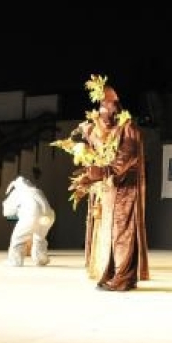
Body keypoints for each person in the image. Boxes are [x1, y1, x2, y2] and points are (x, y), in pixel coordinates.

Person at [52, 75, 149, 291]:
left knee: (122, 233)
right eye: (101, 107)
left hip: (125, 189)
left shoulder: (127, 129)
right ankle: (112, 272)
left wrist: (101, 171)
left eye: (109, 106)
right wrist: (84, 158)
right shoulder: (100, 129)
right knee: (107, 233)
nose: (104, 111)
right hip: (108, 189)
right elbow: (82, 138)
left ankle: (123, 277)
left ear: (117, 107)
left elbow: (126, 159)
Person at [2, 176, 56, 266]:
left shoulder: (18, 192)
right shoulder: (37, 191)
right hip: (48, 216)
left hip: (31, 215)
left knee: (17, 238)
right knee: (39, 238)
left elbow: (7, 211)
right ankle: (40, 258)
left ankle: (15, 260)